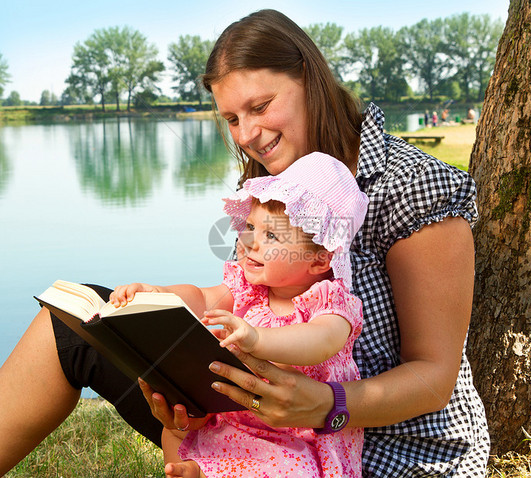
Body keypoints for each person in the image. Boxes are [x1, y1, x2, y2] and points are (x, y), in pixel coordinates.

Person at [0, 9, 490, 477]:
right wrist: (160, 327)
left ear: (308, 76)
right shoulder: (265, 185)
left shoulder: (414, 185)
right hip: (253, 428)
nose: (249, 135)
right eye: (232, 119)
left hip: (387, 451)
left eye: (260, 106)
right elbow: (237, 298)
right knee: (68, 329)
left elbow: (434, 377)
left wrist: (324, 406)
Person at [110, 152, 368, 477]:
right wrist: (159, 294)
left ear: (318, 259)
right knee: (183, 429)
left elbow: (321, 341)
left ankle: (204, 472)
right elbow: (202, 298)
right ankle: (197, 469)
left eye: (271, 235)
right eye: (249, 227)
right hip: (237, 421)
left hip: (295, 435)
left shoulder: (329, 301)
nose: (249, 242)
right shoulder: (248, 287)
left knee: (290, 470)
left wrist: (258, 338)